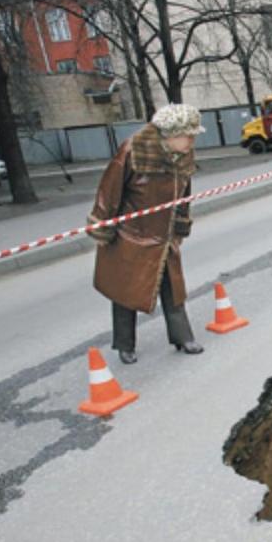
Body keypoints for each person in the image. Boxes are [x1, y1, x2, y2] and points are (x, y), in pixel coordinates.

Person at [86, 104, 206, 364]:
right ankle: (124, 344)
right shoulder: (132, 151)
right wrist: (103, 226)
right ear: (170, 135)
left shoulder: (183, 154)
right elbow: (109, 189)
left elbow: (184, 193)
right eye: (189, 135)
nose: (193, 140)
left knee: (173, 288)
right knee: (125, 291)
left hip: (165, 235)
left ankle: (182, 336)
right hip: (133, 235)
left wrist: (181, 225)